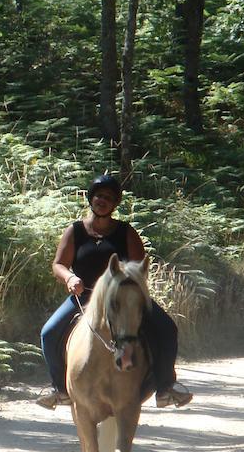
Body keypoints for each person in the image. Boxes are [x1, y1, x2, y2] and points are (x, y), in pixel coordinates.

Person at [36, 173, 192, 410]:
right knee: (48, 333)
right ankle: (58, 388)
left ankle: (165, 386)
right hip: (84, 296)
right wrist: (69, 277)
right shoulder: (75, 231)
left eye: (108, 197)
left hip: (122, 299)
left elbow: (140, 268)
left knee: (167, 328)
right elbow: (58, 264)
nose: (102, 200)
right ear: (91, 198)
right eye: (98, 195)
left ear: (115, 204)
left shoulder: (125, 232)